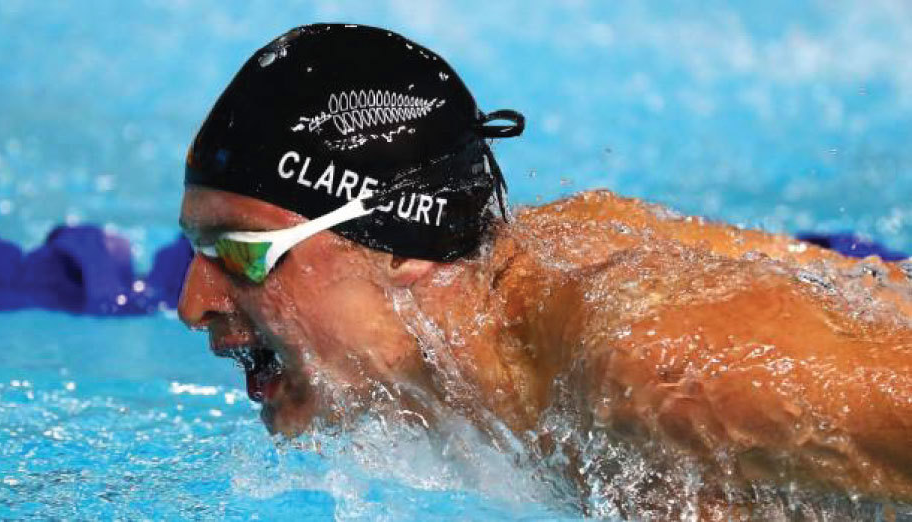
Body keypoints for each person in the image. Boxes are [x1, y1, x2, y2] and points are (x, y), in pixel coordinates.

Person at [178, 24, 912, 518]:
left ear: (403, 246)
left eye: (241, 252)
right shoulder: (529, 293)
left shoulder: (656, 369)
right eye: (194, 250)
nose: (192, 303)